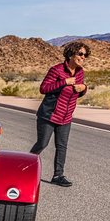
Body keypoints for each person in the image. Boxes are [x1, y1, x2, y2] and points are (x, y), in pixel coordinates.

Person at [30, 41, 90, 187]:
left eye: (85, 55)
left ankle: (58, 175)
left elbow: (75, 93)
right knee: (42, 143)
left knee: (62, 146)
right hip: (49, 115)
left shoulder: (80, 72)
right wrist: (64, 82)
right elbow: (44, 88)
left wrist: (83, 88)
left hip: (66, 116)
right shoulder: (56, 70)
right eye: (80, 54)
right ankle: (24, 168)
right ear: (71, 54)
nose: (83, 58)